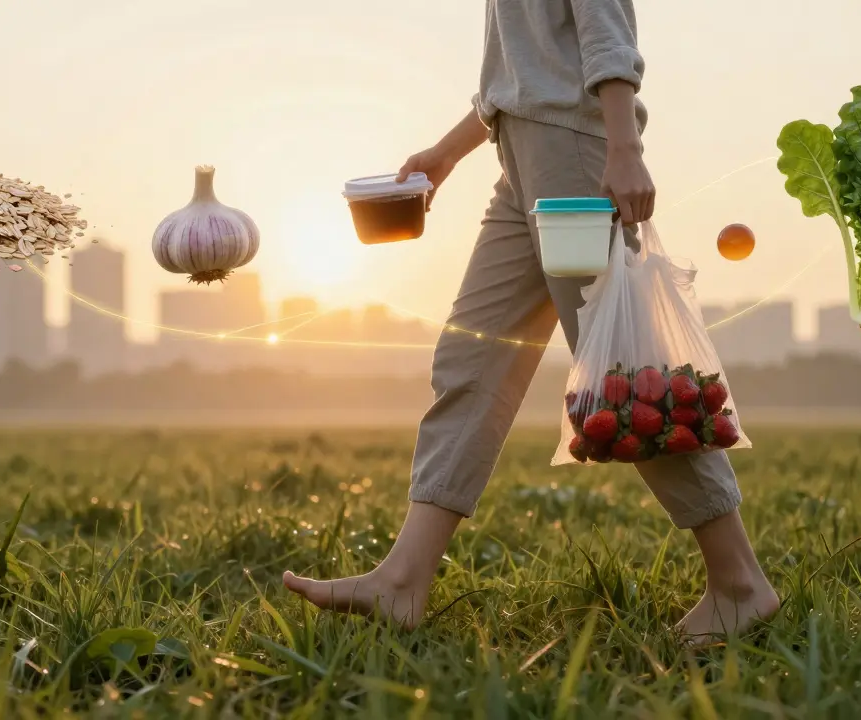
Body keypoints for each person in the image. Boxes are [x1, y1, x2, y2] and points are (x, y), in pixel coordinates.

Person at [284, 0, 779, 642]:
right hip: (519, 157)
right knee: (472, 359)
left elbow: (605, 29)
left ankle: (739, 583)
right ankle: (402, 580)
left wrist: (624, 149)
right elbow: (522, 68)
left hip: (574, 155)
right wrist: (448, 152)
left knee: (629, 381)